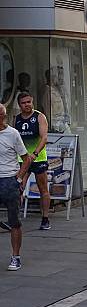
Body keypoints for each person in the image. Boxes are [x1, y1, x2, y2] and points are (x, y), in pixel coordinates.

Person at [0, 103, 33, 270]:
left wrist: (19, 178)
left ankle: (16, 256)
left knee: (14, 222)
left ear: (2, 117)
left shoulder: (12, 134)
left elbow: (26, 158)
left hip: (9, 180)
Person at [15, 92, 51, 230]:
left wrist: (35, 154)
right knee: (17, 189)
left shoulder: (39, 117)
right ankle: (15, 218)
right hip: (22, 160)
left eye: (29, 102)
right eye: (24, 103)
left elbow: (44, 138)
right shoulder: (17, 119)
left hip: (38, 159)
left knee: (43, 189)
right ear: (19, 105)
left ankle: (45, 218)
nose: (27, 105)